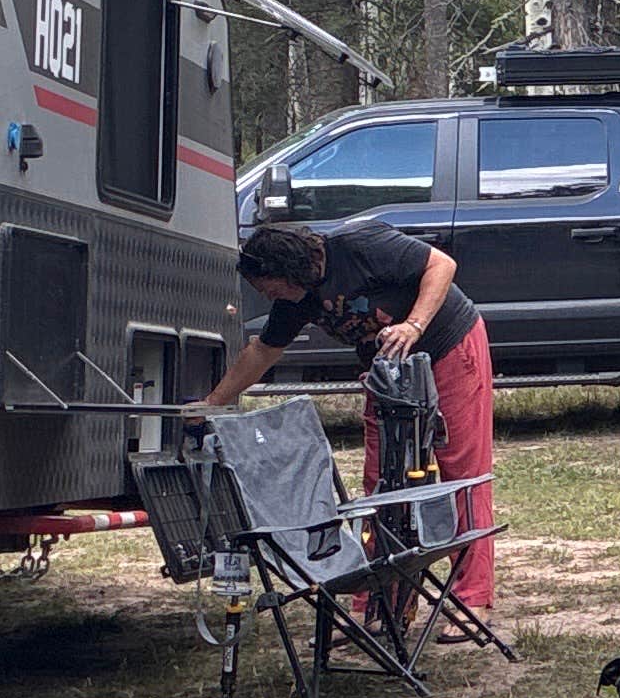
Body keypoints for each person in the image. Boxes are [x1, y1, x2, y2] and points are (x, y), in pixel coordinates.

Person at [200, 216, 497, 610]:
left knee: (461, 468)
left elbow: (441, 264)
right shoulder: (295, 298)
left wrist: (414, 324)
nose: (270, 296)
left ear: (289, 269)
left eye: (269, 287)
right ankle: (381, 597)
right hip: (387, 369)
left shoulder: (361, 245)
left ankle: (472, 594)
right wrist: (211, 404)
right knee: (381, 480)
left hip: (448, 345)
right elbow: (263, 350)